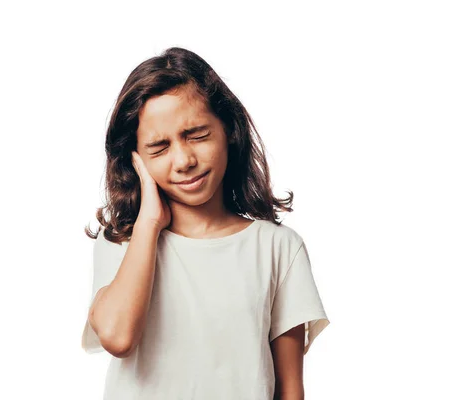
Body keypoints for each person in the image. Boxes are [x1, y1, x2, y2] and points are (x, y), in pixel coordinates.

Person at [81, 46, 330, 399]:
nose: (183, 160)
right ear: (134, 159)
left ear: (228, 129)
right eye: (158, 147)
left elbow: (290, 390)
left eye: (197, 135)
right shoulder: (122, 242)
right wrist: (149, 224)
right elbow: (117, 337)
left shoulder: (277, 248)